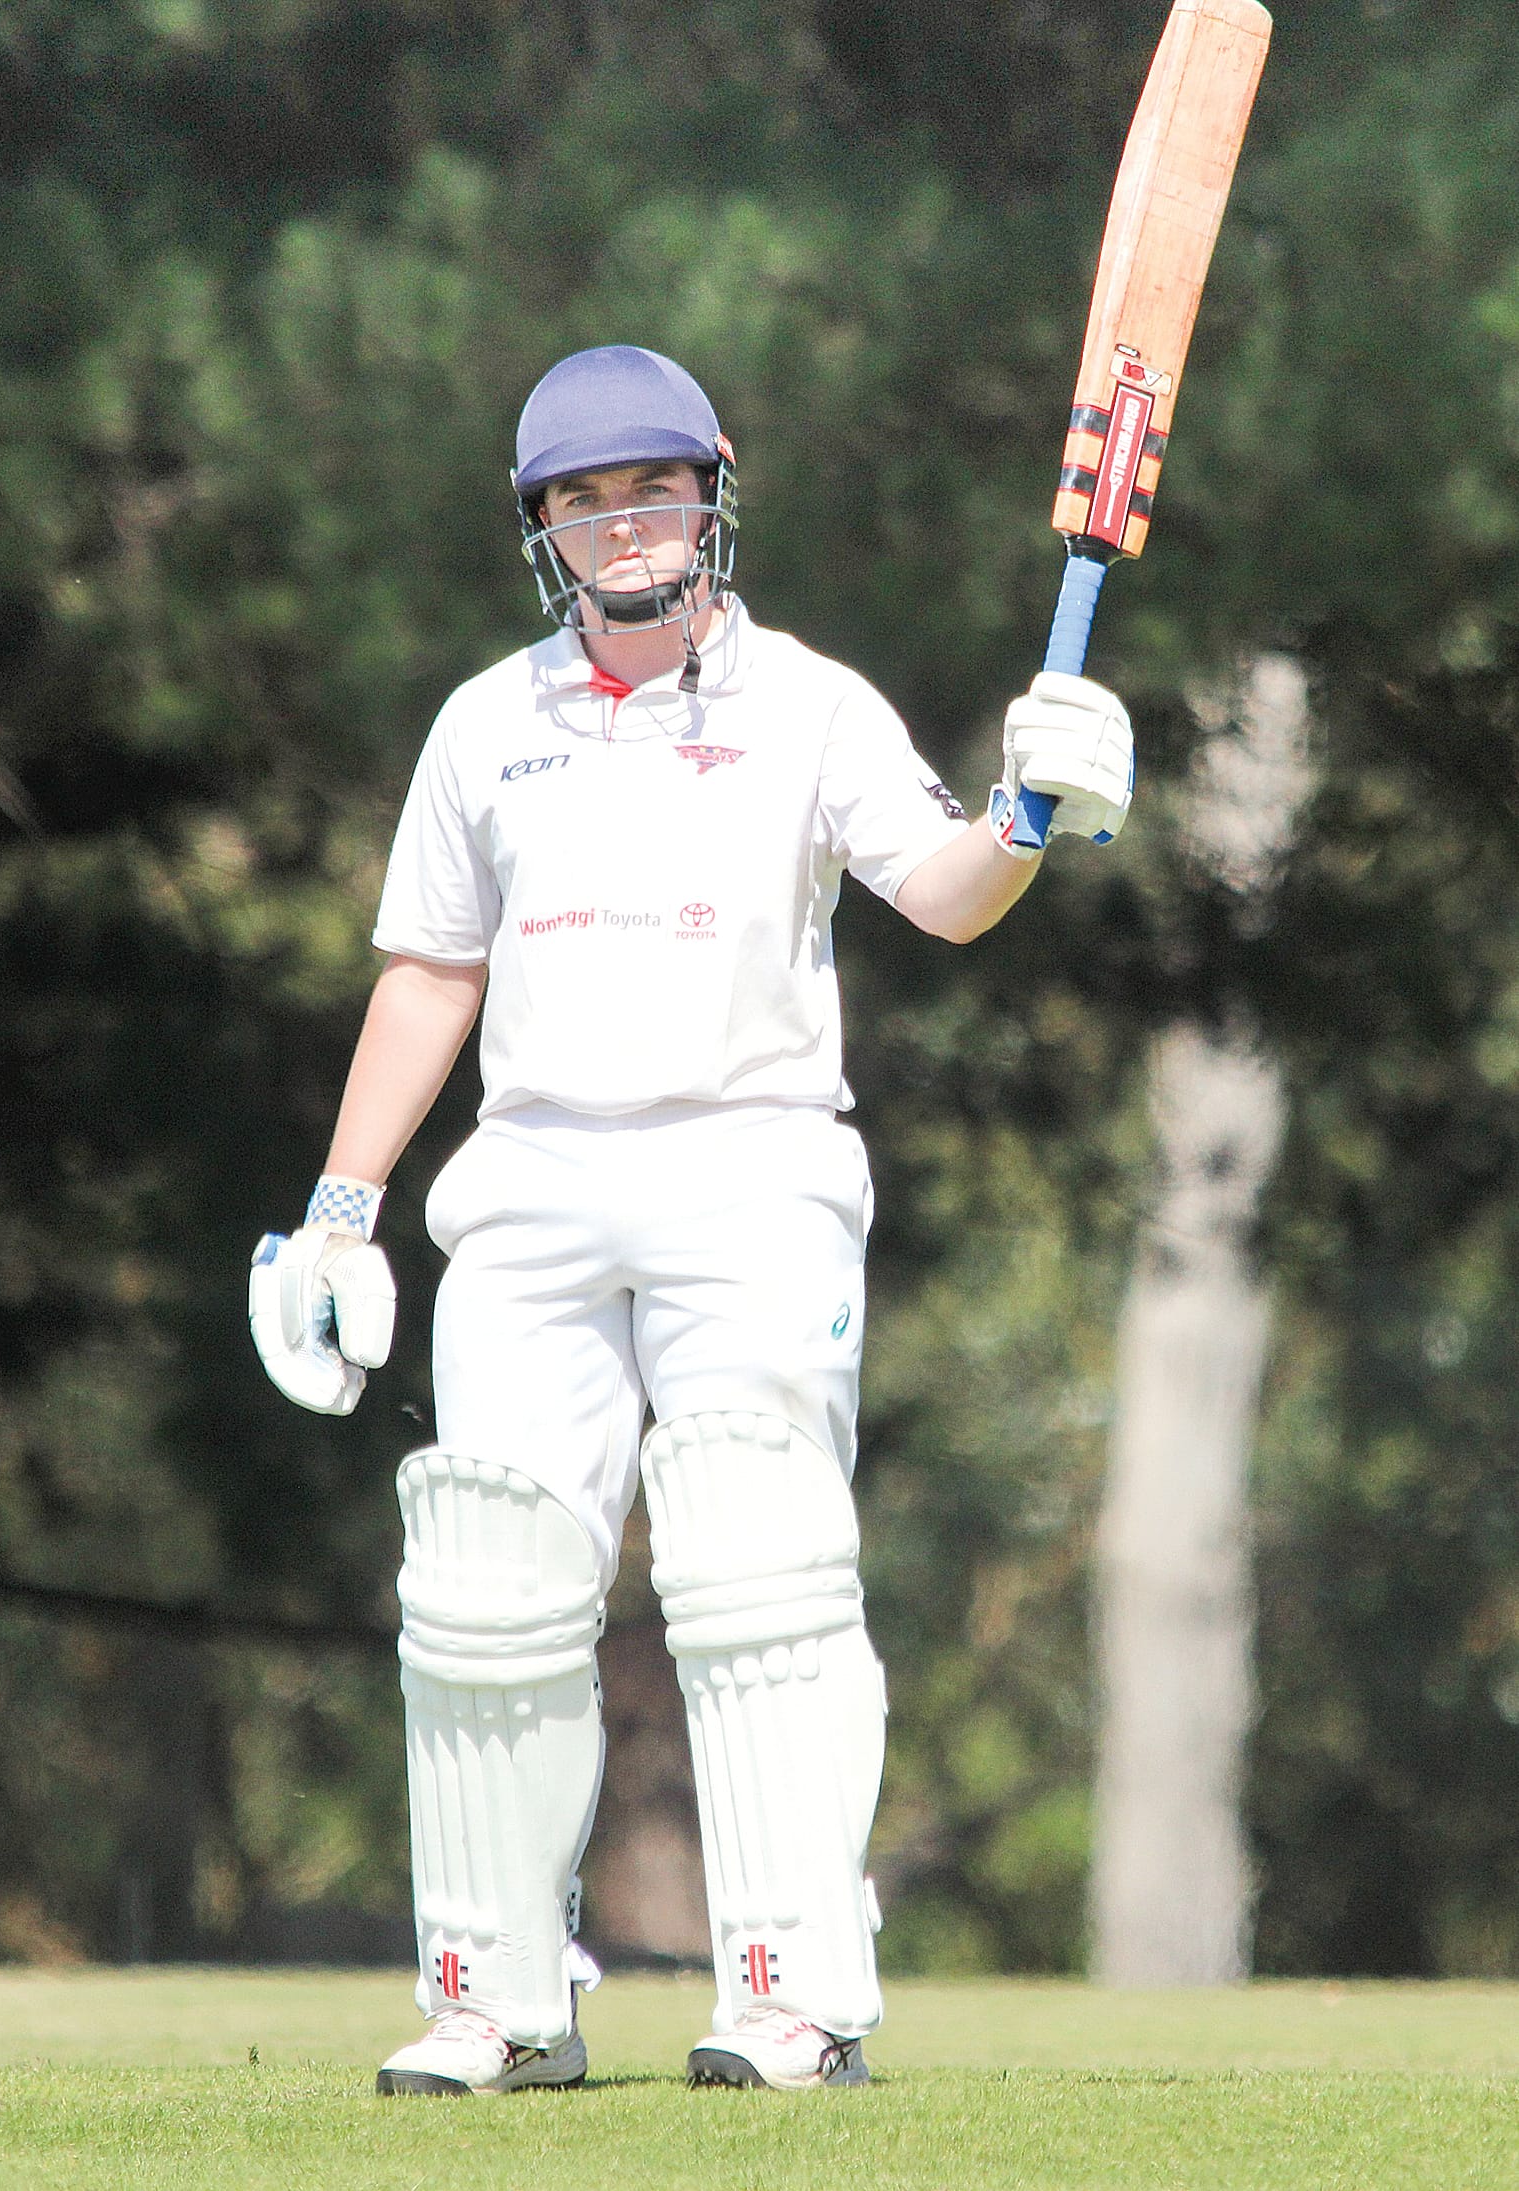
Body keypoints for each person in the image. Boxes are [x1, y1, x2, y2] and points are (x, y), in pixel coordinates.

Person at [248, 344, 1133, 2095]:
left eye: (650, 486)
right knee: (488, 1579)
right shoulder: (486, 726)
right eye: (583, 501)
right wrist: (341, 1214)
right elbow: (431, 976)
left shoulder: (809, 702)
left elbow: (947, 898)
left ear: (713, 487)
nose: (623, 524)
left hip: (753, 1171)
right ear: (543, 533)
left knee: (760, 1569)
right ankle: (496, 1995)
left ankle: (795, 1993)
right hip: (534, 1185)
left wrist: (1031, 815)